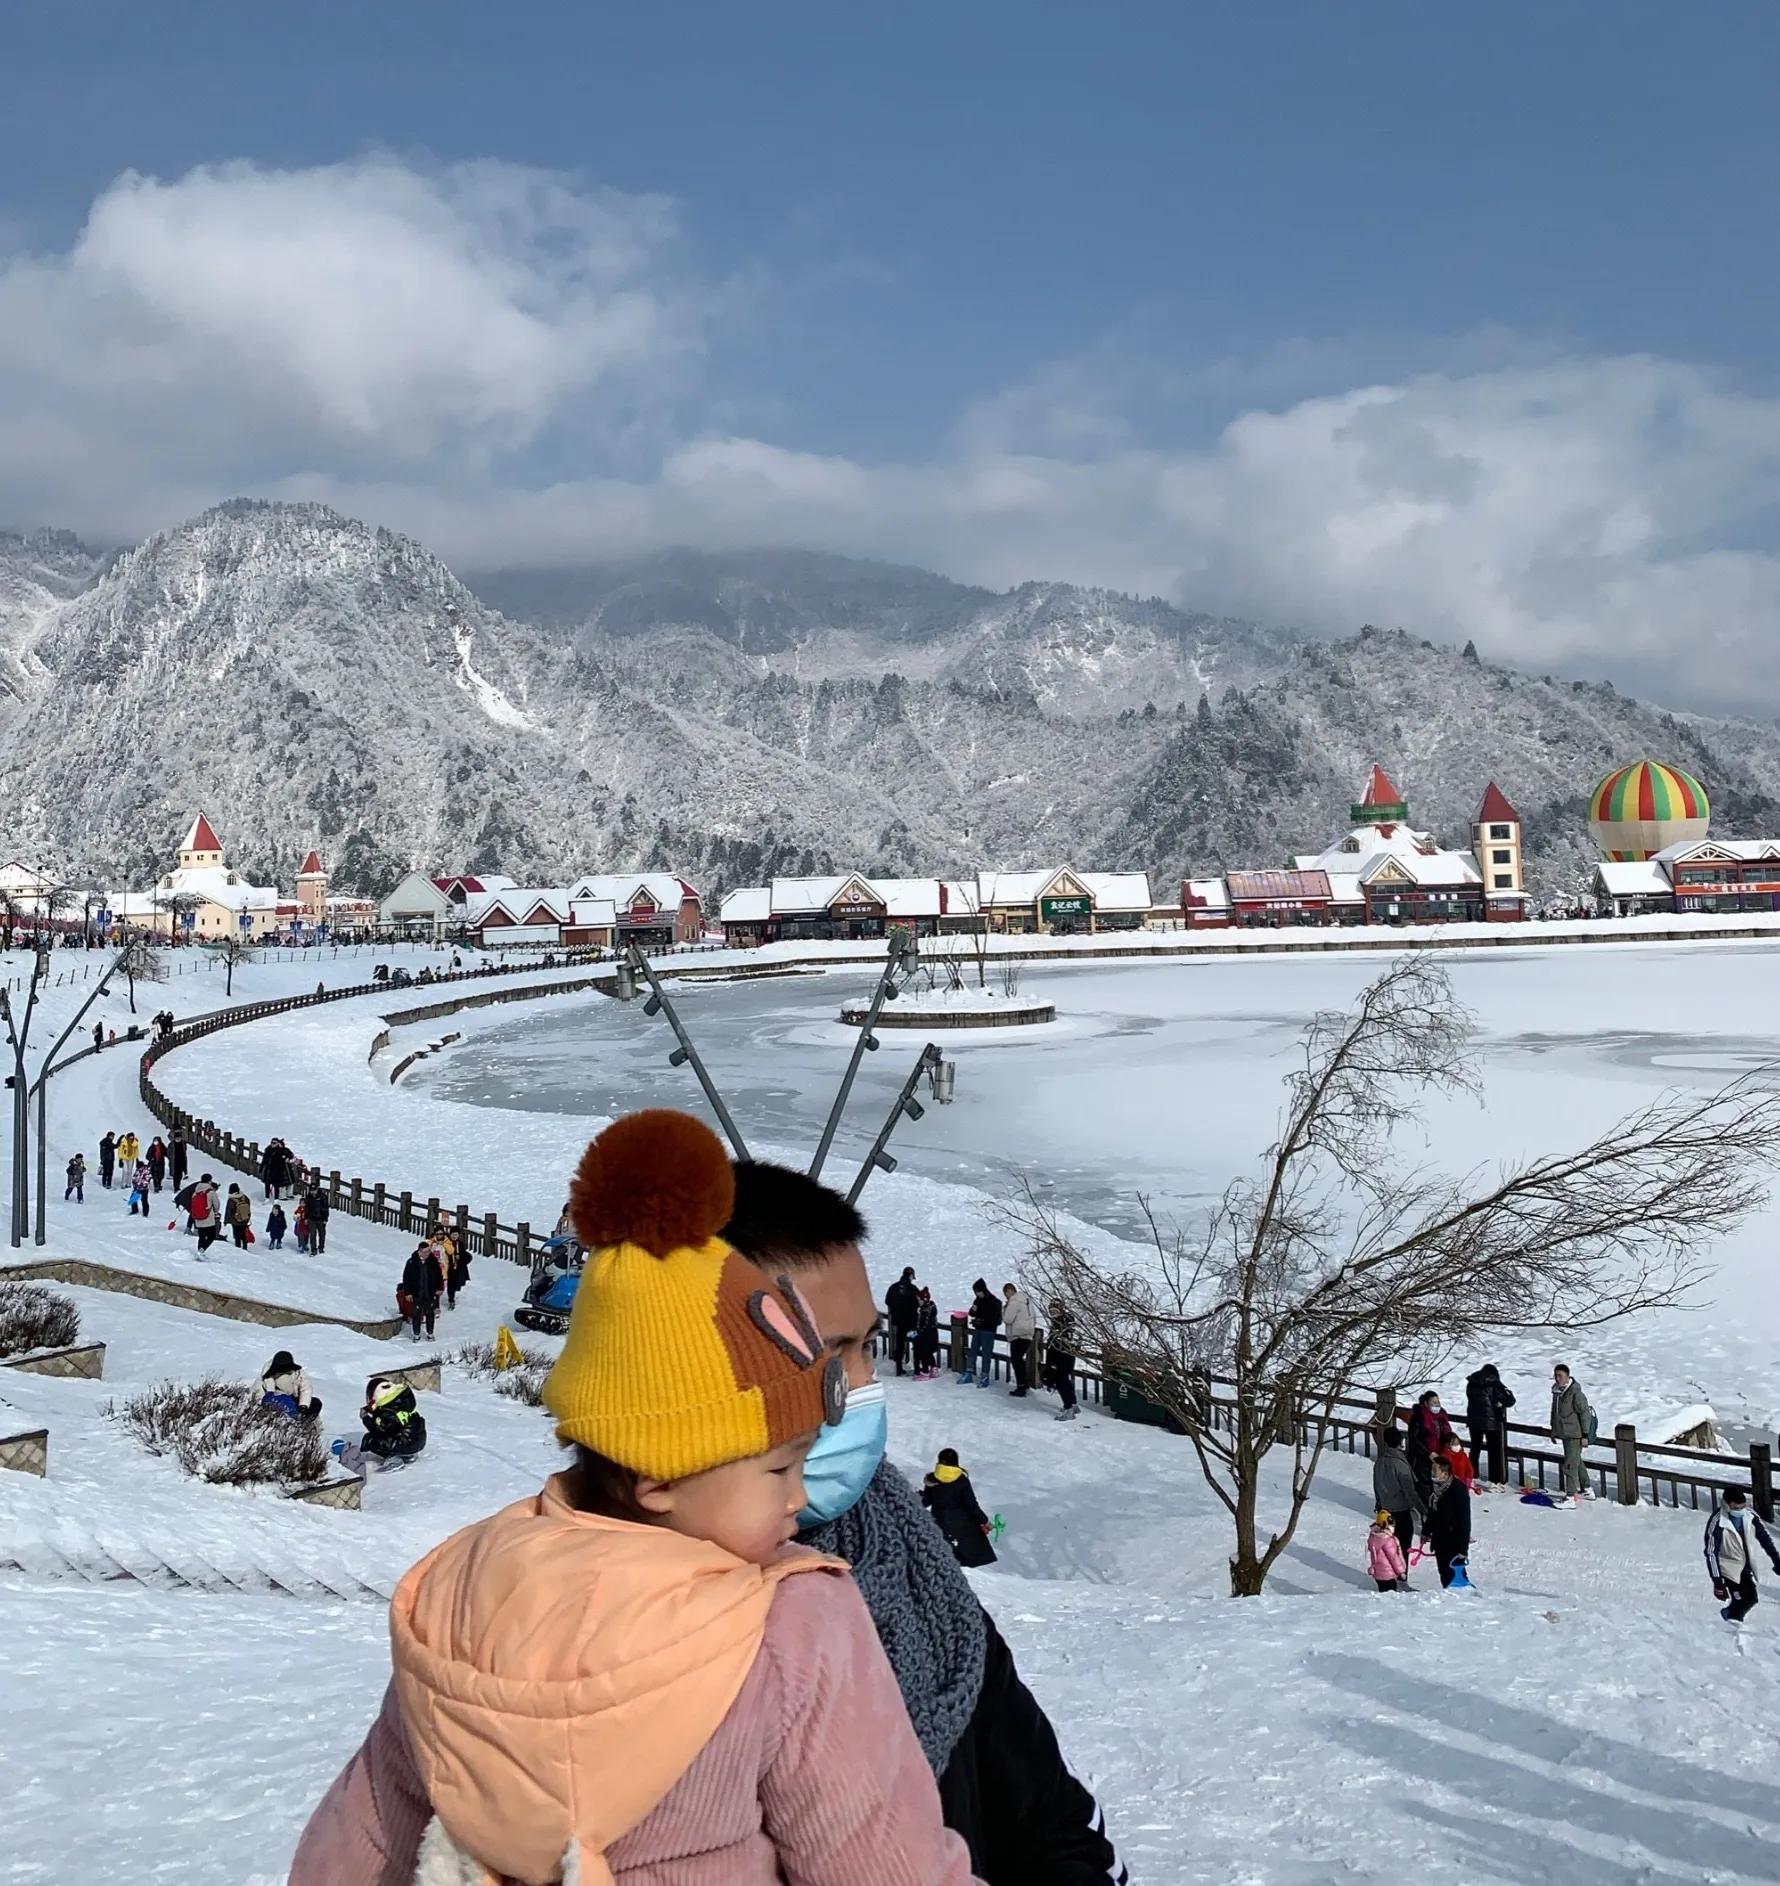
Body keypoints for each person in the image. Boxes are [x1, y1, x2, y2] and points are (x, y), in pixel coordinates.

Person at [290, 1110, 976, 1886]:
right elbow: (887, 1866)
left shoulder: (465, 1589)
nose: (796, 1498)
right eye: (780, 1468)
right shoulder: (794, 1622)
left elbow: (359, 1838)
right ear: (659, 1478)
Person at [719, 1156, 1127, 1884]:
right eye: (828, 1354)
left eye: (867, 1345)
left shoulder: (910, 1562)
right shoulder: (626, 1632)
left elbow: (1051, 1816)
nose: (867, 1384)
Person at [1704, 1486, 1780, 1624]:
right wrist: (1717, 1582)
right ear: (1727, 1505)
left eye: (1742, 1507)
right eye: (1736, 1508)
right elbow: (1711, 1552)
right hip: (1728, 1568)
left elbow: (1765, 1539)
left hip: (1745, 1566)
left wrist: (1777, 1559)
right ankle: (1728, 1627)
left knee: (1751, 1599)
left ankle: (1727, 1619)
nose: (1740, 1511)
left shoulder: (1750, 1516)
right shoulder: (1717, 1521)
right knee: (1742, 1599)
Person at [923, 1449, 999, 1567]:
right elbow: (971, 1505)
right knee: (975, 1550)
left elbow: (925, 1501)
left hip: (940, 1523)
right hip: (962, 1525)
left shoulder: (932, 1479)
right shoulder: (961, 1480)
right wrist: (984, 1521)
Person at [1372, 1426, 1424, 1574]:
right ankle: (1401, 1576)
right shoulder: (1400, 1463)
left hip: (1384, 1510)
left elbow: (1376, 1485)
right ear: (1400, 1442)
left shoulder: (1380, 1462)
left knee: (1386, 1546)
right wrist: (1422, 1509)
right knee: (1403, 1546)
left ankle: (1387, 1575)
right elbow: (1409, 1491)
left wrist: (1379, 1503)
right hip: (1400, 1511)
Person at [1421, 1454, 1473, 1588]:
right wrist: (1426, 1531)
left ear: (1445, 1473)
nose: (1432, 1473)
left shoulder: (1458, 1490)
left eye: (1435, 1470)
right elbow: (1433, 1511)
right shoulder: (1437, 1487)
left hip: (1453, 1541)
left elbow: (1464, 1521)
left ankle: (1463, 1599)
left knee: (1455, 1573)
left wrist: (1463, 1549)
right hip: (1440, 1539)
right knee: (1444, 1572)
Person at [357, 1375, 428, 1466]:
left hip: (405, 1443)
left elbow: (380, 1431)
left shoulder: (385, 1412)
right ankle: (408, 1454)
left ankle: (394, 1458)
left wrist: (366, 1418)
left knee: (370, 1439)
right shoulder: (401, 1400)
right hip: (418, 1440)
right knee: (394, 1437)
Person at [1465, 1362, 1516, 1487]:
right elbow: (1510, 1400)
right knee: (1494, 1451)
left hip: (1474, 1420)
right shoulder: (1495, 1383)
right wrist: (1500, 1403)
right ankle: (1495, 1480)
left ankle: (1472, 1475)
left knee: (1475, 1448)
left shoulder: (1472, 1382)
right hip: (1491, 1422)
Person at [1551, 1363, 1595, 1498]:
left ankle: (1570, 1495)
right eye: (1556, 1376)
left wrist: (1585, 1435)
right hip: (1564, 1432)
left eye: (1560, 1376)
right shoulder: (1557, 1392)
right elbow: (1555, 1412)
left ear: (1567, 1376)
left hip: (1575, 1434)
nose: (1557, 1378)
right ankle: (1587, 1488)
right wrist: (1554, 1429)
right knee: (1576, 1460)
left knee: (1570, 1465)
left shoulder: (1576, 1393)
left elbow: (1585, 1413)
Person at [1407, 1389, 1455, 1502]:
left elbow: (1447, 1434)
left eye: (1438, 1402)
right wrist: (1428, 1453)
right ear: (1426, 1404)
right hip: (1422, 1458)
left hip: (1440, 1456)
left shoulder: (1442, 1416)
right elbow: (1414, 1439)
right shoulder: (1418, 1418)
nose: (1437, 1405)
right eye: (1434, 1403)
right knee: (1425, 1486)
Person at [958, 1278, 1000, 1387]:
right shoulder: (977, 1300)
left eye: (979, 1291)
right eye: (976, 1292)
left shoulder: (993, 1301)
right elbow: (972, 1312)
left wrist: (982, 1321)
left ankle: (985, 1376)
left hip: (988, 1331)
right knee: (973, 1351)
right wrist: (974, 1311)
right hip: (978, 1329)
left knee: (986, 1354)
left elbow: (994, 1319)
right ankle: (969, 1372)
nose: (977, 1294)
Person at [261, 1349, 321, 1424]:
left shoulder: (298, 1372)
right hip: (276, 1398)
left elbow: (306, 1388)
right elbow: (264, 1388)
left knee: (315, 1403)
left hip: (293, 1397)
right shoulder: (265, 1376)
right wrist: (270, 1392)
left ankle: (305, 1424)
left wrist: (304, 1405)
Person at [1043, 1298, 1080, 1421]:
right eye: (1051, 1311)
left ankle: (1069, 1407)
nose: (1053, 1314)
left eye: (1055, 1311)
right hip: (1062, 1355)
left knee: (1061, 1381)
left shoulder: (1065, 1322)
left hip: (1063, 1356)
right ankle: (1073, 1404)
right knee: (1065, 1380)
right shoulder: (1059, 1321)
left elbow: (1064, 1341)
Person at [400, 1241, 442, 1341]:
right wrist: (408, 1292)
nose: (427, 1254)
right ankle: (416, 1333)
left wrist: (439, 1288)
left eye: (428, 1251)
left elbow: (439, 1275)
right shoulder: (411, 1262)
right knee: (416, 1314)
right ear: (419, 1251)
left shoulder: (433, 1261)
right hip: (416, 1293)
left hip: (430, 1292)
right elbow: (406, 1278)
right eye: (425, 1252)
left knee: (430, 1313)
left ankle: (430, 1333)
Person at [1002, 1283, 1036, 1397]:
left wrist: (1005, 1308)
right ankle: (1024, 1383)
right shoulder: (1027, 1300)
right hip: (1028, 1333)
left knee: (1017, 1361)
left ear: (1008, 1291)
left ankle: (1021, 1386)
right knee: (1020, 1360)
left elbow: (1007, 1319)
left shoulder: (1014, 1301)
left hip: (1017, 1334)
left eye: (1006, 1294)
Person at [886, 1265, 920, 1376]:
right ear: (910, 1276)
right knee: (916, 1343)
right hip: (911, 1322)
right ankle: (917, 1368)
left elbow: (888, 1301)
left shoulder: (893, 1287)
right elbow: (918, 1303)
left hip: (898, 1321)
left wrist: (896, 1310)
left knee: (900, 1343)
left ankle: (898, 1368)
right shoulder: (913, 1289)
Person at [1368, 1507, 1408, 1592]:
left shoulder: (1374, 1536)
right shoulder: (1387, 1540)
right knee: (1390, 1593)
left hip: (1378, 1573)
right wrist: (1401, 1572)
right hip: (1388, 1574)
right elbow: (1393, 1557)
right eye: (1392, 1526)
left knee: (1383, 1591)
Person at [912, 1285, 941, 1380]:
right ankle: (933, 1368)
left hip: (926, 1336)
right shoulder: (928, 1309)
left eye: (919, 1300)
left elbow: (923, 1326)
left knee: (924, 1352)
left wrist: (917, 1333)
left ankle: (925, 1372)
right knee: (927, 1352)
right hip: (930, 1335)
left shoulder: (926, 1312)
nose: (918, 1302)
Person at [188, 1175, 222, 1255]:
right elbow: (217, 1205)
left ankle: (200, 1252)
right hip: (208, 1218)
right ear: (209, 1181)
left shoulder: (195, 1192)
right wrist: (215, 1212)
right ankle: (202, 1250)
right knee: (212, 1236)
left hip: (198, 1218)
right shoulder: (211, 1192)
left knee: (201, 1237)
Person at [302, 1176, 331, 1254]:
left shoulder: (323, 1197)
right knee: (312, 1234)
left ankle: (321, 1247)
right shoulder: (308, 1197)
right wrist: (306, 1218)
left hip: (321, 1218)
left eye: (314, 1190)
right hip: (312, 1218)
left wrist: (325, 1218)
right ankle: (313, 1249)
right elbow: (306, 1208)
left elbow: (325, 1208)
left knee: (322, 1234)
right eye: (312, 1190)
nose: (313, 1192)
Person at [225, 1183, 253, 1248]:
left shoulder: (231, 1200)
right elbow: (248, 1207)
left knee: (237, 1236)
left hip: (235, 1221)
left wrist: (226, 1221)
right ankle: (245, 1247)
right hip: (245, 1219)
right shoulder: (245, 1197)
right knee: (243, 1235)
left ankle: (238, 1248)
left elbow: (228, 1211)